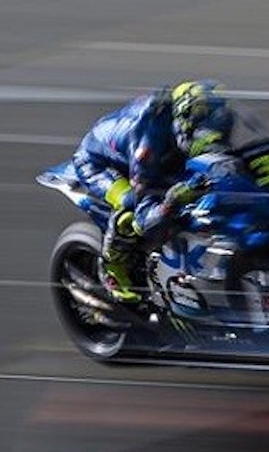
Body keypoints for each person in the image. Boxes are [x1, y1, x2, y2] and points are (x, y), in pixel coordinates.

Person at [68, 79, 244, 300]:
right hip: (98, 164)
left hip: (149, 152)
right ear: (184, 123)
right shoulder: (148, 146)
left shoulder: (194, 122)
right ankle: (113, 267)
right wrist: (171, 201)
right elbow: (144, 218)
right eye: (203, 132)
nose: (212, 137)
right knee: (129, 205)